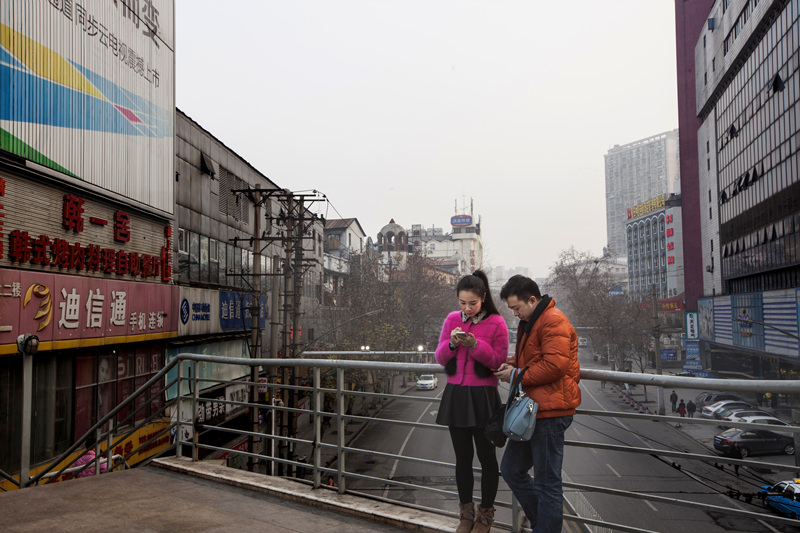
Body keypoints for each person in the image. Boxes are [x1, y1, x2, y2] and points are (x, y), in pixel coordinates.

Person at [494, 275, 580, 533]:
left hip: (552, 412)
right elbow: (531, 357)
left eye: (516, 308)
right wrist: (511, 363)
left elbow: (554, 366)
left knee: (547, 483)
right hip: (533, 410)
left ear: (532, 300)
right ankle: (542, 524)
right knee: (511, 469)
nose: (515, 314)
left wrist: (515, 374)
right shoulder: (532, 321)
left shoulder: (553, 320)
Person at [435, 270, 509, 533]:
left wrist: (476, 345)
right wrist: (453, 344)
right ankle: (466, 513)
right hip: (456, 393)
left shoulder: (497, 323)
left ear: (483, 298)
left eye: (473, 303)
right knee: (462, 459)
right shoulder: (452, 320)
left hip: (483, 396)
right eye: (462, 303)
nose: (467, 309)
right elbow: (440, 358)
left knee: (487, 459)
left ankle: (485, 515)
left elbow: (498, 360)